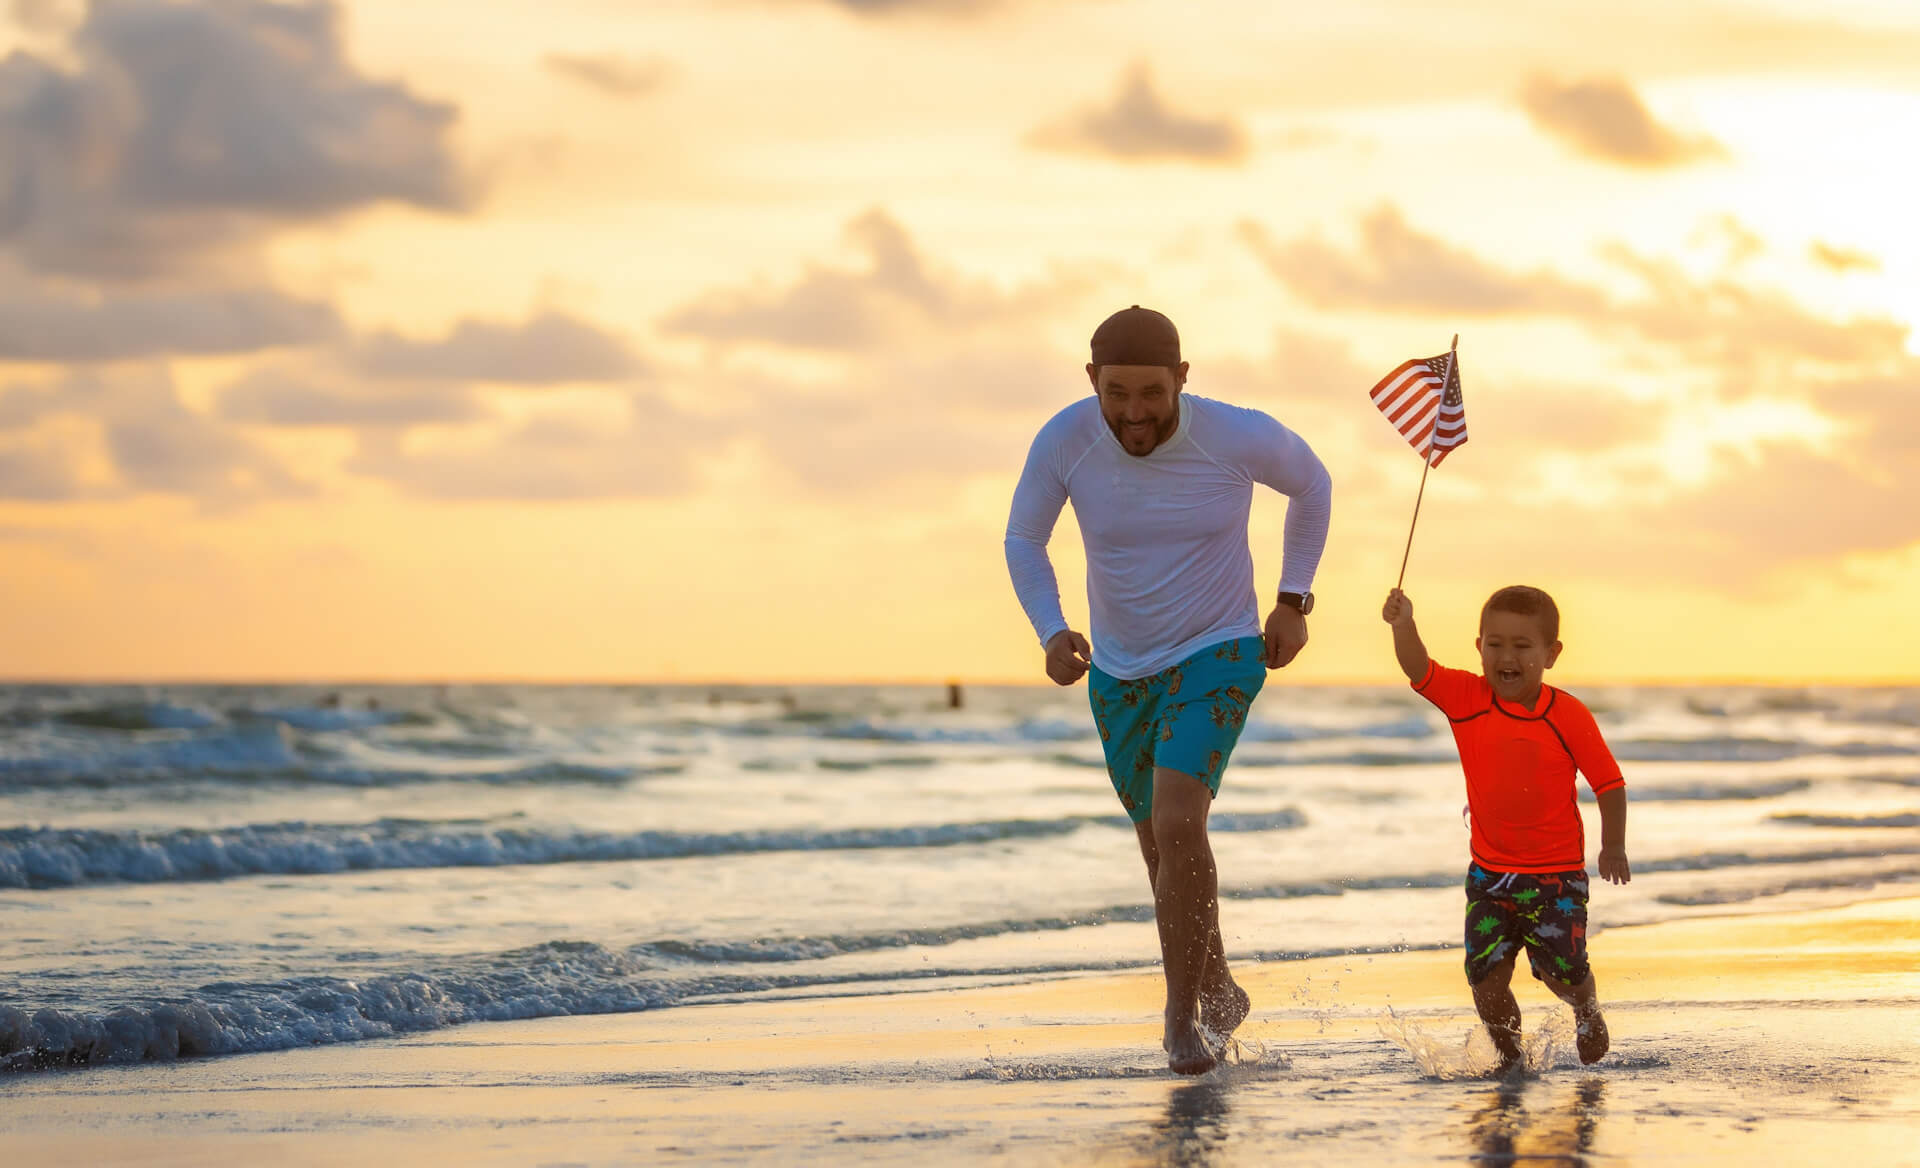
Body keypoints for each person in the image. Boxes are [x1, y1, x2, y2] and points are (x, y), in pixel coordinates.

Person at [1004, 305, 1332, 1074]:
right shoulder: (1066, 439)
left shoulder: (1234, 434)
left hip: (1219, 650)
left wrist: (1294, 599)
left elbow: (1312, 483)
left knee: (1180, 820)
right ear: (1092, 382)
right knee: (1160, 845)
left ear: (1183, 378)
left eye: (1152, 393)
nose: (1134, 413)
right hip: (1119, 672)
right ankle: (1215, 985)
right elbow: (1024, 536)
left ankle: (1180, 1019)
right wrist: (1051, 630)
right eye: (1116, 393)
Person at [1380, 584, 1630, 1072]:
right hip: (1490, 875)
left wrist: (1612, 846)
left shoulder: (1567, 715)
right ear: (1478, 647)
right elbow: (1419, 668)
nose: (1506, 657)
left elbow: (1610, 783)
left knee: (1562, 974)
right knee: (1486, 979)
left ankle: (1586, 1008)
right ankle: (1513, 1060)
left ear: (1551, 654)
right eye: (1495, 644)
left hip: (1555, 876)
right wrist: (1402, 623)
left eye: (1522, 646)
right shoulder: (1467, 698)